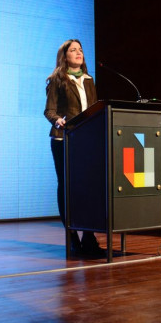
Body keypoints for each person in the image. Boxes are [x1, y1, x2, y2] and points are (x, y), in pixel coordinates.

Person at [44, 39, 105, 257]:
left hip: (86, 142)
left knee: (88, 189)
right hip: (63, 139)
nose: (79, 53)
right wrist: (59, 120)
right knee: (67, 187)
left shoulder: (89, 80)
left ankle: (89, 237)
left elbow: (95, 109)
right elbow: (49, 111)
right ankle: (71, 237)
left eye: (81, 49)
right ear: (65, 56)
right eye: (73, 50)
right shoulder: (57, 80)